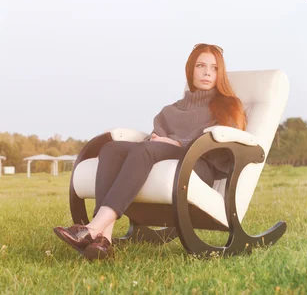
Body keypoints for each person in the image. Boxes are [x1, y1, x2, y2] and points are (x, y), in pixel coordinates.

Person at [53, 43, 247, 260]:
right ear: (190, 70)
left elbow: (223, 142)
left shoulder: (228, 105)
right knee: (112, 149)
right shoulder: (171, 110)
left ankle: (93, 228)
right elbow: (154, 140)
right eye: (200, 65)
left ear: (220, 73)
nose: (207, 72)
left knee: (146, 150)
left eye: (214, 68)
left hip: (197, 165)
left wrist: (174, 143)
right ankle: (104, 239)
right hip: (162, 155)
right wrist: (158, 140)